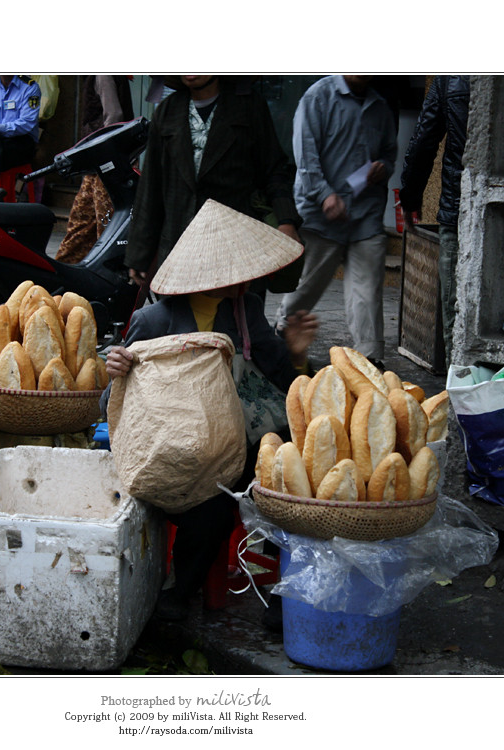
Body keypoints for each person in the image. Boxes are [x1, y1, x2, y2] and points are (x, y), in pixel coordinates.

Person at [106, 200, 318, 621]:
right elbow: (111, 407)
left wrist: (295, 354)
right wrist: (118, 372)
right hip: (175, 454)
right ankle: (179, 595)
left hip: (234, 443)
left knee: (293, 480)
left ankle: (286, 592)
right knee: (213, 507)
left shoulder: (246, 310)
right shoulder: (153, 322)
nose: (245, 280)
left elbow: (281, 377)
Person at [124, 75, 301, 300]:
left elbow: (274, 169)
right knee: (181, 329)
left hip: (235, 246)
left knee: (235, 325)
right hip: (180, 246)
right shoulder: (168, 111)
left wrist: (286, 221)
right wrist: (140, 254)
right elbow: (151, 188)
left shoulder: (248, 106)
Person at [275, 75, 397, 367]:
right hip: (322, 213)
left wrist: (385, 167)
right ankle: (281, 335)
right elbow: (305, 157)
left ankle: (370, 360)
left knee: (367, 290)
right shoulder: (317, 97)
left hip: (365, 213)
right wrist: (324, 194)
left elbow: (389, 152)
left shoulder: (380, 106)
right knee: (309, 285)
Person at [398, 75, 469, 363]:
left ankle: (459, 395)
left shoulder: (450, 77)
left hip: (457, 209)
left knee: (456, 316)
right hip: (479, 209)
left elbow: (424, 139)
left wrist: (411, 198)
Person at [55, 75, 134, 263]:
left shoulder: (103, 74)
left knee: (106, 226)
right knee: (80, 224)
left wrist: (103, 151)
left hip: (106, 164)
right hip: (96, 165)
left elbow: (114, 117)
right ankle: (63, 273)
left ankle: (108, 270)